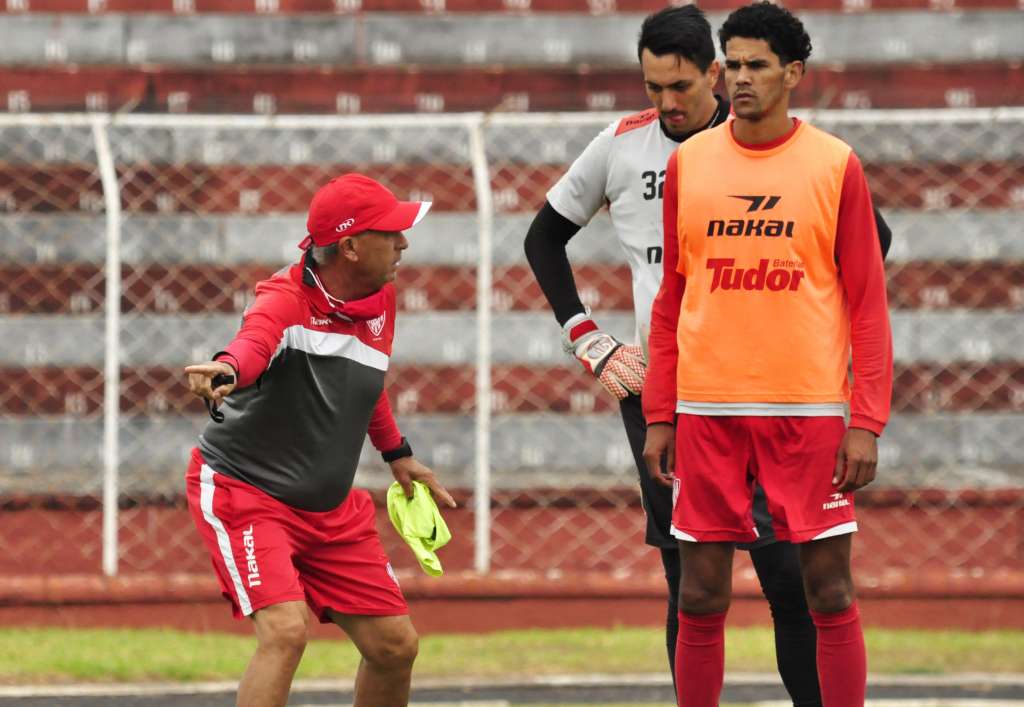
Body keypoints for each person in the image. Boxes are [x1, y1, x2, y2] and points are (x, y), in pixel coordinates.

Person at [524, 6, 890, 706]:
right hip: (677, 394)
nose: (666, 102)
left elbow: (868, 259)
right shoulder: (630, 149)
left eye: (681, 86)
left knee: (795, 579)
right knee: (688, 582)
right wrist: (591, 342)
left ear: (714, 76)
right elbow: (550, 244)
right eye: (652, 86)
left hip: (786, 394)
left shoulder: (799, 152)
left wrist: (798, 329)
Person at [642, 3, 894, 706]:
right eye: (735, 65)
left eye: (758, 65)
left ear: (794, 73)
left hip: (808, 414)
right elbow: (671, 302)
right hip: (707, 412)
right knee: (698, 592)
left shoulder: (835, 165)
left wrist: (866, 419)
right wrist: (661, 412)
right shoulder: (689, 164)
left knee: (829, 588)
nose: (742, 79)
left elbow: (868, 305)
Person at [183, 173, 456, 707]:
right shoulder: (284, 301)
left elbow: (363, 381)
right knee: (286, 632)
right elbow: (252, 345)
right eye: (391, 233)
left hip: (330, 510)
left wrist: (398, 455)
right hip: (248, 496)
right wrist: (225, 370)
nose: (404, 244)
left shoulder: (380, 300)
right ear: (351, 247)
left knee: (395, 646)